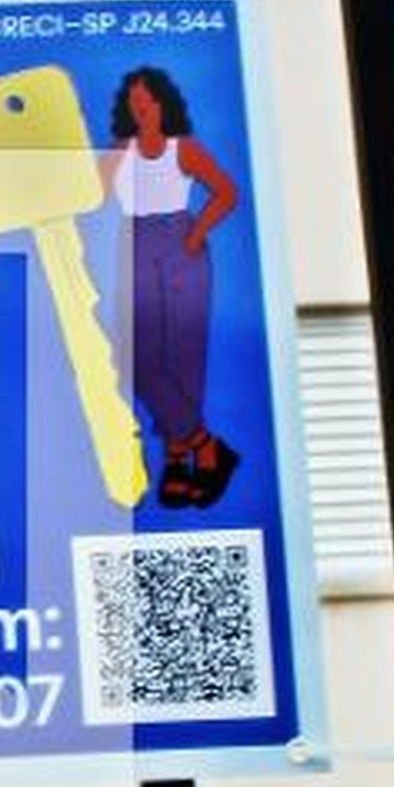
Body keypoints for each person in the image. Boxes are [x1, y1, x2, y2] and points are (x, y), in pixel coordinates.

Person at [99, 65, 243, 508]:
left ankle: (178, 459)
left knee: (182, 356)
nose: (140, 106)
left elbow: (226, 192)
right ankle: (206, 447)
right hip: (136, 245)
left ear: (163, 102)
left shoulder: (185, 149)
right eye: (133, 100)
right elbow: (94, 195)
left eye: (147, 99)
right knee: (139, 357)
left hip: (181, 245)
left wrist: (197, 233)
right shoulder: (120, 152)